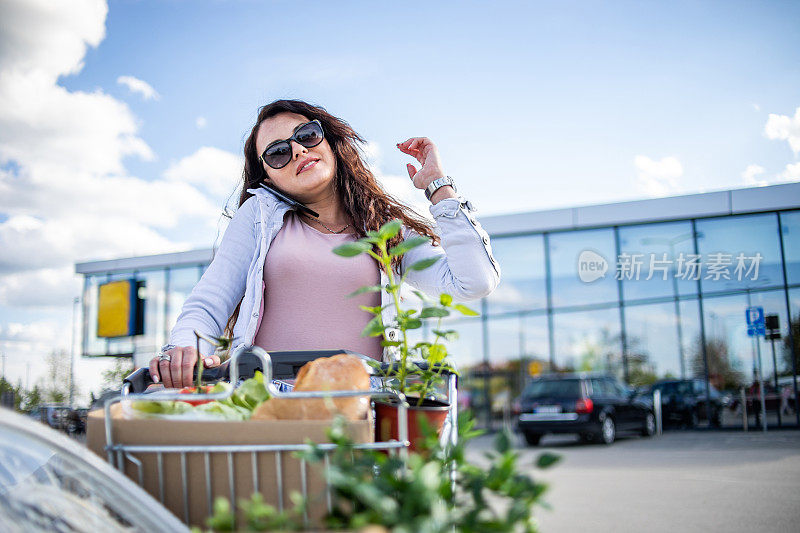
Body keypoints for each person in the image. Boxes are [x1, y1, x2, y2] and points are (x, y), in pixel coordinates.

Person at [150, 99, 501, 388]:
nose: (298, 150)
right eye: (277, 153)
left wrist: (438, 187)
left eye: (307, 135)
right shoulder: (257, 216)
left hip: (363, 405)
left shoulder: (384, 227)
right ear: (267, 175)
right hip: (273, 403)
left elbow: (473, 281)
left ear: (329, 140)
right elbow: (210, 301)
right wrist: (185, 348)